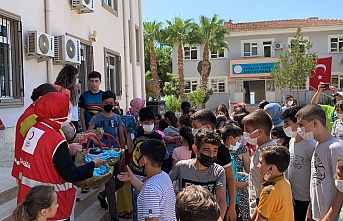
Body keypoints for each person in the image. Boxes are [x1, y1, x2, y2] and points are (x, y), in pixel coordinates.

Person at [17, 92, 104, 221]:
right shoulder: (56, 139)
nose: (68, 114)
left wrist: (67, 150)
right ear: (58, 112)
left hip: (32, 201)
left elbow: (44, 156)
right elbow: (71, 174)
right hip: (51, 205)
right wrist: (93, 164)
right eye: (66, 110)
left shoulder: (35, 129)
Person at [296, 104, 343, 221]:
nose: (299, 129)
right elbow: (315, 181)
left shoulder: (335, 148)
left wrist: (329, 218)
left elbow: (341, 189)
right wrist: (310, 211)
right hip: (317, 215)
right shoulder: (318, 144)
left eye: (301, 125)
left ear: (315, 123)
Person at [169, 128, 227, 221]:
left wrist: (219, 219)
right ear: (195, 149)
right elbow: (167, 185)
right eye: (207, 150)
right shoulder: (181, 167)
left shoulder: (218, 171)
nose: (211, 155)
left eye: (215, 151)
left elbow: (221, 200)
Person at [190, 109, 236, 221]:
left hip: (217, 205)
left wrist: (232, 207)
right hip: (198, 203)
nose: (193, 130)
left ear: (207, 127)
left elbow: (230, 178)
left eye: (195, 126)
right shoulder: (197, 146)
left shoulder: (221, 149)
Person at [88, 90, 126, 221]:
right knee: (110, 185)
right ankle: (113, 216)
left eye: (111, 103)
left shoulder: (118, 118)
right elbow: (90, 133)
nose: (108, 105)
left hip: (116, 154)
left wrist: (122, 154)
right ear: (102, 103)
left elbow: (121, 137)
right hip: (103, 156)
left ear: (114, 103)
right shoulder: (96, 118)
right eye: (106, 103)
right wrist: (97, 142)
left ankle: (101, 195)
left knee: (120, 181)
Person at [118, 139, 176, 221]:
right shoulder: (164, 176)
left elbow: (152, 218)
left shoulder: (150, 189)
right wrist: (132, 178)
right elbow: (148, 192)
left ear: (144, 160)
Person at [12, 84, 58, 180]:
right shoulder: (32, 117)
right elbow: (42, 145)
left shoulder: (36, 114)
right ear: (41, 99)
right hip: (30, 172)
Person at [280, 106, 316, 221]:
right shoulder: (292, 141)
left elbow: (315, 176)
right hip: (293, 198)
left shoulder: (310, 145)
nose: (284, 127)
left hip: (306, 200)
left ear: (298, 123)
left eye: (287, 123)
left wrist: (311, 205)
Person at [130, 107, 163, 221]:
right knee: (137, 205)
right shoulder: (137, 134)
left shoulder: (157, 138)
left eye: (152, 123)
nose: (149, 125)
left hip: (150, 177)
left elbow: (160, 159)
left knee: (148, 207)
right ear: (140, 122)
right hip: (136, 174)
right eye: (146, 123)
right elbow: (131, 150)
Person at [241, 109, 276, 215]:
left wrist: (259, 212)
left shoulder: (270, 152)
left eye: (247, 130)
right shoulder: (260, 147)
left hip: (263, 210)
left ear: (260, 131)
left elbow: (271, 186)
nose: (245, 134)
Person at [251, 145, 294, 221]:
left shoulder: (269, 191)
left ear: (270, 168)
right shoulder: (285, 183)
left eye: (261, 163)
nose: (258, 166)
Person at [221, 122, 250, 221]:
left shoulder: (230, 156)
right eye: (238, 140)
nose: (239, 143)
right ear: (230, 139)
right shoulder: (227, 159)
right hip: (228, 203)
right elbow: (231, 183)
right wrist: (248, 183)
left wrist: (241, 175)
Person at [54, 65, 79, 131]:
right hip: (65, 123)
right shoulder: (60, 91)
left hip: (73, 121)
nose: (77, 81)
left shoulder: (73, 91)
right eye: (76, 78)